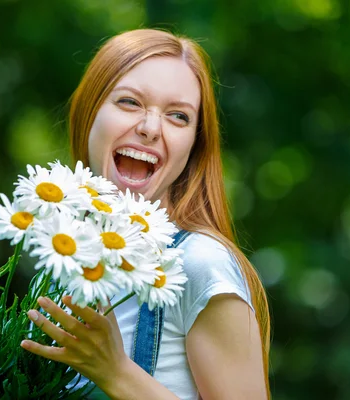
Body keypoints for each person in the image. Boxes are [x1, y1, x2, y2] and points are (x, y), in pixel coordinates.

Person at [20, 29, 270, 399]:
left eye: (178, 116)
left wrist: (117, 372)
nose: (151, 128)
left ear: (193, 146)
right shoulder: (67, 261)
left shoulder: (200, 266)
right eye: (130, 103)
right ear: (89, 112)